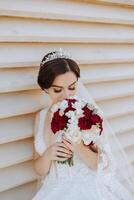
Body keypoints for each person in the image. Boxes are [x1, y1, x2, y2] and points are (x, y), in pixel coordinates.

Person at [32, 49, 134, 200]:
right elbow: (39, 170)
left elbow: (103, 166)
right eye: (58, 90)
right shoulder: (40, 117)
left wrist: (78, 146)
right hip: (52, 191)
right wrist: (47, 156)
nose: (66, 95)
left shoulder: (89, 113)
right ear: (45, 88)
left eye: (72, 87)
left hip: (88, 190)